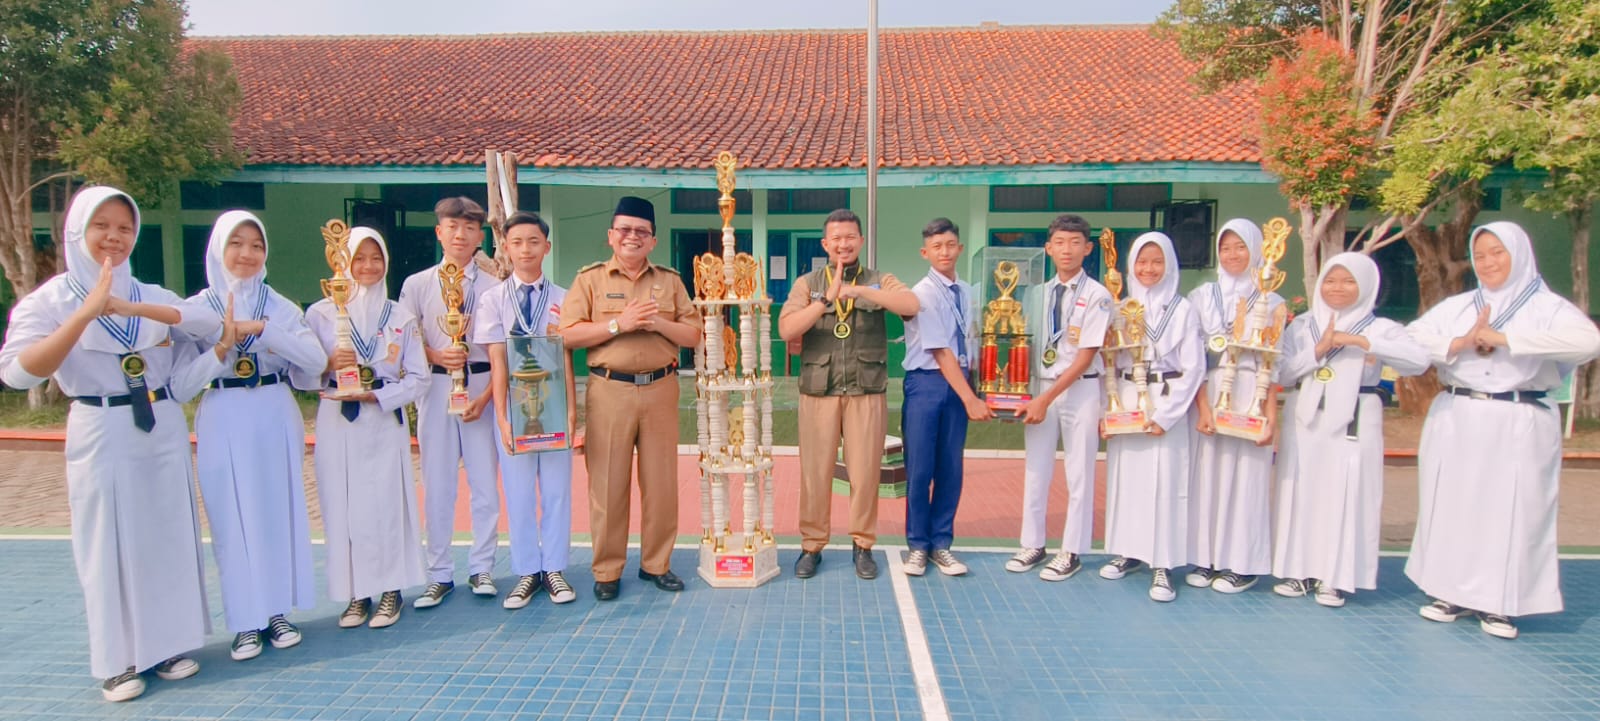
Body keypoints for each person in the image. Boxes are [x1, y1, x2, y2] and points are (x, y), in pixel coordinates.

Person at [0, 186, 220, 701]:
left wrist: (131, 306)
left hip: (160, 423)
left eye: (124, 228)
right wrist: (85, 314)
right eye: (102, 226)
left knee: (166, 535)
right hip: (101, 425)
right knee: (106, 542)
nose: (114, 237)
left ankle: (168, 645)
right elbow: (16, 373)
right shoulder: (50, 302)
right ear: (77, 231)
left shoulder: (150, 294)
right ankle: (117, 660)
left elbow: (211, 325)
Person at [1405, 222, 1600, 639]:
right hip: (1458, 413)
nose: (1488, 262)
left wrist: (1506, 338)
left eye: (1498, 252)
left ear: (1519, 254)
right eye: (1480, 255)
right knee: (1454, 505)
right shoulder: (1460, 306)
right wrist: (1460, 342)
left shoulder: (1548, 307)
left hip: (1518, 417)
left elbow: (1588, 342)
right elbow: (1411, 341)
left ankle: (1501, 602)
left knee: (1512, 510)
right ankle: (1450, 591)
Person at [170, 211, 327, 661]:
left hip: (273, 408)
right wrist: (220, 348)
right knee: (231, 517)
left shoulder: (280, 306)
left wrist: (264, 330)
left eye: (256, 245)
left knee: (277, 511)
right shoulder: (197, 309)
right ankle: (244, 620)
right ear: (218, 249)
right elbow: (180, 386)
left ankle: (277, 611)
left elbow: (314, 361)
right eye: (236, 244)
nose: (247, 254)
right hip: (223, 410)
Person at [559, 196, 701, 600]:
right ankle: (607, 569)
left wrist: (656, 322)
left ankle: (657, 564)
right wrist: (619, 324)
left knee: (661, 483)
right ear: (611, 235)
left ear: (653, 240)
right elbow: (567, 335)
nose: (632, 237)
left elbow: (693, 335)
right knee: (607, 484)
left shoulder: (670, 282)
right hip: (610, 390)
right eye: (624, 229)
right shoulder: (590, 280)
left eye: (641, 231)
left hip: (660, 389)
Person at [1270, 253, 1428, 608]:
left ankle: (1335, 576)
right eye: (1330, 280)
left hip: (1355, 416)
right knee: (1301, 490)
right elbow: (1282, 373)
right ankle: (1298, 569)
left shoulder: (1380, 327)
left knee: (1346, 492)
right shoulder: (1303, 325)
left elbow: (1418, 362)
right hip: (1306, 414)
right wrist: (1320, 348)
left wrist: (1361, 342)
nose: (1337, 288)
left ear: (1366, 285)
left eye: (1347, 281)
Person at [294, 226, 428, 629]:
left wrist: (381, 396)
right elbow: (299, 375)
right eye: (359, 258)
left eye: (376, 258)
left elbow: (419, 378)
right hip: (338, 419)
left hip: (383, 418)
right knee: (343, 504)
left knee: (386, 505)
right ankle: (357, 593)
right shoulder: (320, 314)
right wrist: (326, 365)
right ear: (343, 263)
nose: (368, 266)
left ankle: (391, 590)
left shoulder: (400, 316)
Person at [779, 209, 920, 581]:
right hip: (819, 392)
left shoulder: (879, 279)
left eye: (850, 237)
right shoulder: (807, 283)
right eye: (836, 239)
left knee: (865, 473)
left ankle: (863, 545)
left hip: (865, 390)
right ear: (825, 244)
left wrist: (857, 291)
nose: (843, 244)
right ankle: (812, 545)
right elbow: (787, 329)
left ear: (861, 241)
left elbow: (910, 305)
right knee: (815, 473)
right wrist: (824, 301)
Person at [400, 197, 504, 607]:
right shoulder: (417, 285)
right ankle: (439, 573)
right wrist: (435, 355)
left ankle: (482, 568)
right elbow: (404, 341)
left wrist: (488, 396)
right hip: (436, 386)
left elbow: (503, 350)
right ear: (439, 232)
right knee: (438, 484)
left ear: (480, 236)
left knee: (485, 485)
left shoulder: (494, 287)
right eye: (453, 227)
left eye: (470, 228)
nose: (461, 235)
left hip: (481, 386)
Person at [476, 211, 578, 608]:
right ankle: (526, 572)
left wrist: (571, 410)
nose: (525, 250)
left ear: (547, 247)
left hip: (553, 407)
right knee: (518, 493)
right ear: (505, 248)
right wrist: (501, 417)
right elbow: (497, 361)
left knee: (556, 491)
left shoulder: (564, 299)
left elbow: (566, 358)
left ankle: (554, 569)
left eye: (533, 241)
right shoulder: (493, 300)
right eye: (516, 242)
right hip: (515, 410)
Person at [1097, 232, 1204, 602]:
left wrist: (1168, 416)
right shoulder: (1120, 306)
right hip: (1128, 397)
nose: (1148, 269)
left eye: (1157, 261)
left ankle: (1163, 564)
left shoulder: (1183, 309)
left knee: (1166, 483)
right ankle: (1129, 550)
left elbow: (1194, 368)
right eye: (1142, 261)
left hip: (1166, 398)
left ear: (1169, 265)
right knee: (1128, 480)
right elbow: (1108, 361)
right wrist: (1107, 410)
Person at [1007, 214, 1111, 582]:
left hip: (1080, 389)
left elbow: (1085, 356)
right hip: (1040, 386)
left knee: (1079, 472)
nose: (1067, 250)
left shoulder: (1098, 295)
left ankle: (1072, 550)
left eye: (1075, 242)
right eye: (1060, 243)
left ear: (1088, 248)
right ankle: (1032, 544)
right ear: (1048, 248)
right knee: (1036, 469)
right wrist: (1021, 392)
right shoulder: (1036, 293)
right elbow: (1026, 345)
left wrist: (1045, 398)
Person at [1186, 219, 1284, 594]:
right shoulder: (1201, 296)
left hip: (1251, 390)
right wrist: (1203, 409)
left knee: (1247, 479)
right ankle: (1206, 557)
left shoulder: (1272, 299)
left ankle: (1243, 564)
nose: (1232, 255)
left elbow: (1274, 363)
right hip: (1211, 390)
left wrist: (1270, 418)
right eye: (1225, 247)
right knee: (1207, 477)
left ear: (1257, 250)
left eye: (1241, 247)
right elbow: (1193, 357)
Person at [899, 218, 992, 577]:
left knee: (950, 468)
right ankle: (917, 546)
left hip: (960, 381)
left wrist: (978, 387)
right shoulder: (922, 293)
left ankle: (941, 544)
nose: (945, 252)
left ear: (961, 248)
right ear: (925, 252)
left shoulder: (967, 292)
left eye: (951, 245)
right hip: (927, 384)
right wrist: (970, 399)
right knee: (921, 469)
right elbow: (940, 351)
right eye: (937, 247)